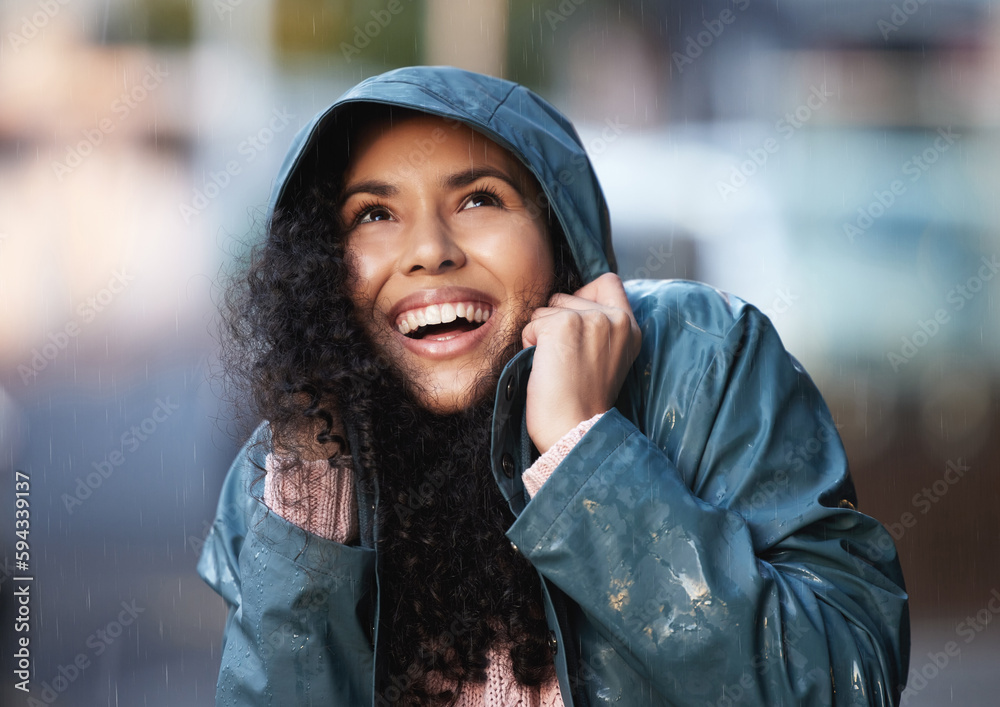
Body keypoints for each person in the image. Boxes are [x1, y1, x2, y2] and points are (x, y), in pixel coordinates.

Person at [198, 66, 909, 706]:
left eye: (479, 198)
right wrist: (313, 517)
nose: (429, 250)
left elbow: (842, 684)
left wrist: (586, 454)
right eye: (374, 214)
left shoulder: (704, 364)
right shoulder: (291, 479)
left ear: (561, 236)